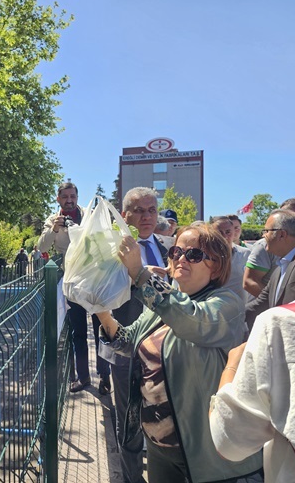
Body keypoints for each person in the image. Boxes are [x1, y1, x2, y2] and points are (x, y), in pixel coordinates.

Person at [96, 223, 262, 483]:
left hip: (204, 451)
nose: (181, 258)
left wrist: (140, 274)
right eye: (176, 252)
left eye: (194, 254)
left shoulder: (227, 303)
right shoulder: (161, 304)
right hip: (160, 445)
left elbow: (191, 321)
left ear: (216, 266)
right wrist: (101, 311)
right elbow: (128, 342)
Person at [210, 170, 295, 482]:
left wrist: (231, 367)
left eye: (268, 231)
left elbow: (230, 441)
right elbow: (258, 302)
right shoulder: (282, 270)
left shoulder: (281, 326)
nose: (263, 237)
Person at [100, 187, 169, 483]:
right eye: (139, 211)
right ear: (124, 215)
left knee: (160, 416)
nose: (146, 217)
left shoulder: (168, 249)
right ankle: (131, 477)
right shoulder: (110, 252)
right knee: (129, 419)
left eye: (152, 210)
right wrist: (134, 275)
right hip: (126, 345)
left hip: (163, 348)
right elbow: (99, 293)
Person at [37, 182, 98, 393]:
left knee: (101, 329)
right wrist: (54, 228)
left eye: (72, 196)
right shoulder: (53, 220)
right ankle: (83, 377)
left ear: (77, 197)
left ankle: (105, 376)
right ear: (58, 199)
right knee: (78, 332)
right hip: (72, 280)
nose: (69, 200)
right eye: (65, 197)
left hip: (95, 278)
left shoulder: (89, 215)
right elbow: (42, 247)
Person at [244, 209, 295, 332]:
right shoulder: (280, 267)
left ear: (281, 234)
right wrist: (227, 315)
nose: (263, 236)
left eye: (266, 231)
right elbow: (260, 304)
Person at [242, 199, 295, 298]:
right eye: (284, 214)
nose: (290, 219)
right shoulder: (265, 245)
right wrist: (277, 303)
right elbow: (249, 282)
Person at [210, 215, 250, 305]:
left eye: (228, 232)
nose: (224, 236)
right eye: (219, 232)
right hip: (213, 307)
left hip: (239, 308)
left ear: (234, 232)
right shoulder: (205, 257)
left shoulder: (246, 254)